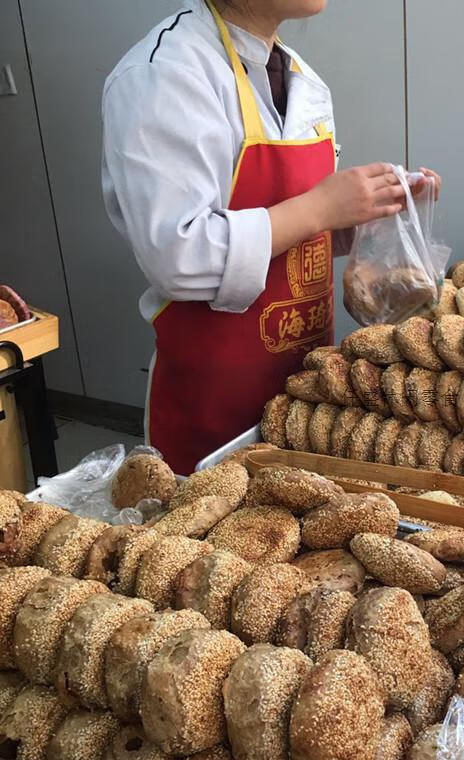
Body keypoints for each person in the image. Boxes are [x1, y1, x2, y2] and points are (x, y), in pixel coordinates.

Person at [102, 0, 441, 474]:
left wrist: (367, 212)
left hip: (307, 389)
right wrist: (320, 207)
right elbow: (179, 256)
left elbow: (295, 232)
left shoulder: (303, 79)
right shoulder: (164, 74)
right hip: (214, 403)